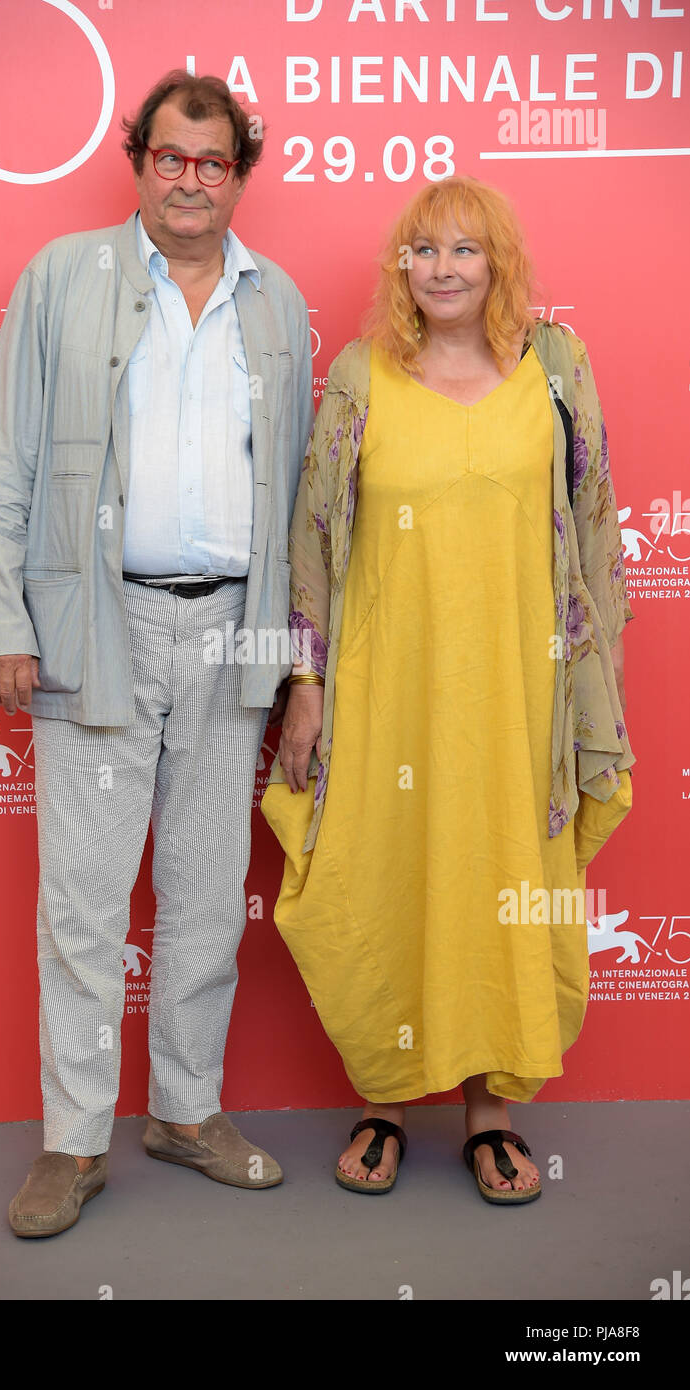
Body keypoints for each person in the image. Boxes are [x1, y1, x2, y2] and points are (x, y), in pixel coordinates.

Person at [0, 70, 313, 1237]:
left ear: (239, 174)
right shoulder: (65, 277)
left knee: (210, 897)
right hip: (95, 625)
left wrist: (299, 662)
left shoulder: (279, 303)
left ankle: (186, 1110)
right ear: (140, 161)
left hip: (233, 632)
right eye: (171, 156)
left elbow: (305, 503)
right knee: (85, 904)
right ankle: (71, 1141)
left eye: (214, 162)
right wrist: (4, 621)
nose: (191, 180)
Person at [262, 176, 634, 1204]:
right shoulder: (361, 375)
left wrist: (594, 684)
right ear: (401, 268)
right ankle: (384, 1098)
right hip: (390, 686)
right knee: (383, 870)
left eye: (465, 250)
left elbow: (593, 518)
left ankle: (489, 1112)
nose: (442, 269)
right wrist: (307, 682)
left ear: (498, 262)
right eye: (423, 251)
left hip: (521, 688)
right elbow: (314, 539)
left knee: (502, 876)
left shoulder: (555, 367)